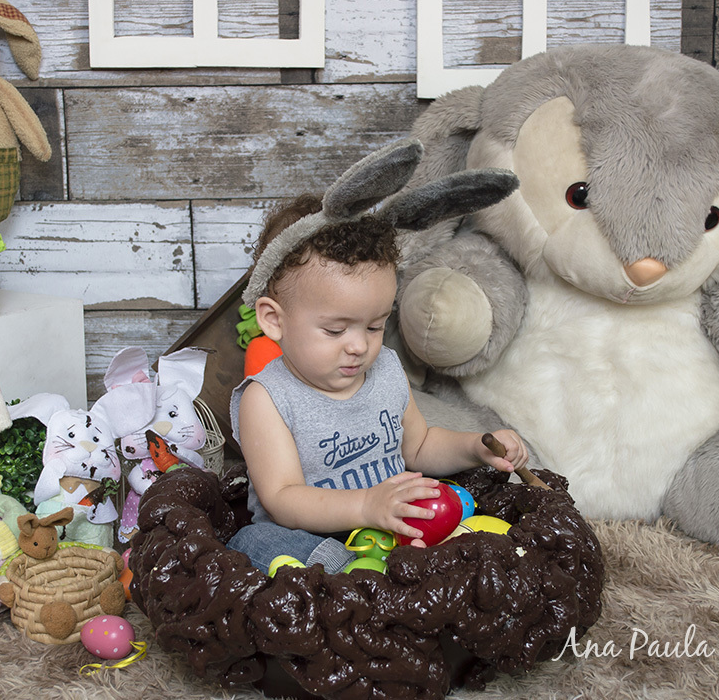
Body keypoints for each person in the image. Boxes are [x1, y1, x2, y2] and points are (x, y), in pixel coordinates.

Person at [226, 192, 529, 574]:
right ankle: (354, 576)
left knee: (460, 508)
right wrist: (367, 505)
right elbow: (282, 498)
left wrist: (475, 446)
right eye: (335, 330)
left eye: (374, 326)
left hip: (392, 529)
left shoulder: (385, 368)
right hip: (315, 539)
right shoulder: (268, 398)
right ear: (273, 320)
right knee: (251, 544)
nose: (358, 346)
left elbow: (418, 446)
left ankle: (407, 572)